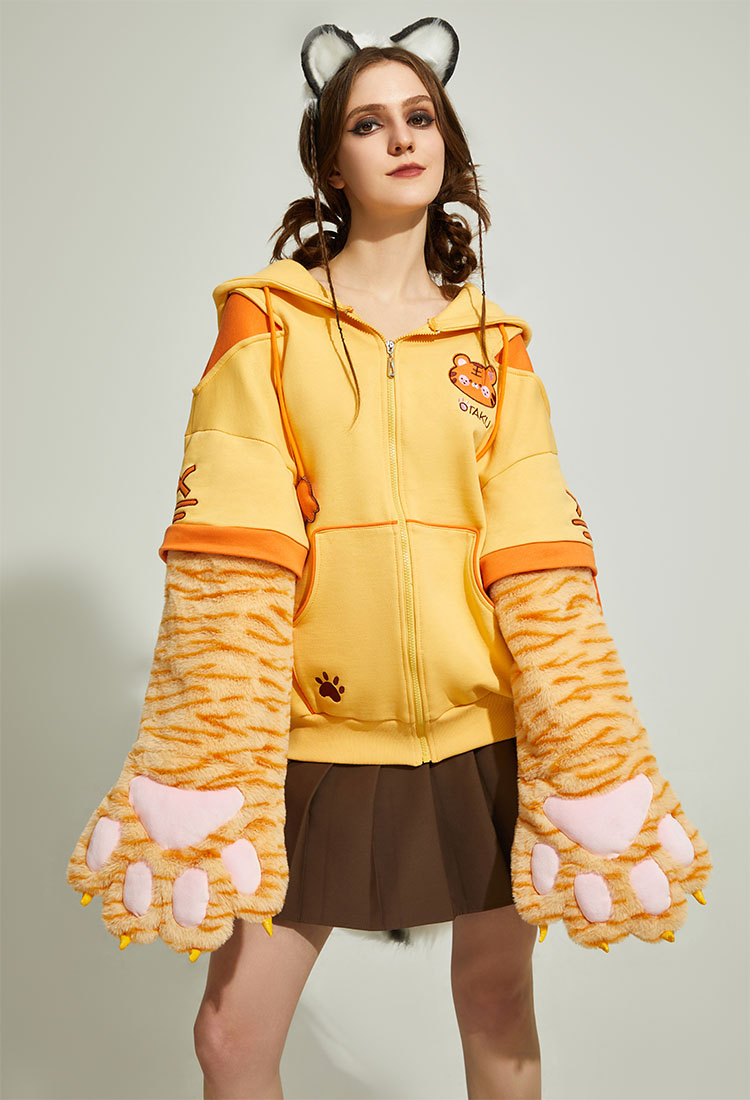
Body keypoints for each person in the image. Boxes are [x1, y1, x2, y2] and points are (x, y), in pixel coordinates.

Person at [66, 18, 711, 1100]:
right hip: (315, 730)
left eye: (421, 117)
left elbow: (542, 558)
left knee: (497, 1004)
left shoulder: (496, 346)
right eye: (369, 124)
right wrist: (204, 752)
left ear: (447, 144)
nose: (402, 138)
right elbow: (231, 549)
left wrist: (593, 741)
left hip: (483, 730)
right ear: (332, 163)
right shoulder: (266, 325)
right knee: (231, 1035)